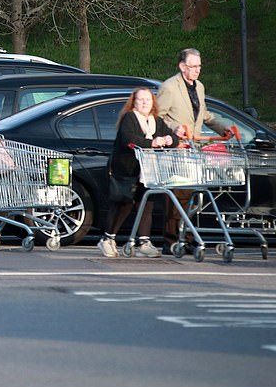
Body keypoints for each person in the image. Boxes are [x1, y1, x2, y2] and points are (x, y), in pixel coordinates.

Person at [156, 48, 232, 254]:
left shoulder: (198, 86)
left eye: (199, 66)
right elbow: (157, 116)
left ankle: (186, 238)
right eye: (193, 66)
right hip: (176, 149)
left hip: (193, 150)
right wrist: (174, 129)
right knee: (177, 195)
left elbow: (204, 114)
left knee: (190, 196)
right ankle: (171, 240)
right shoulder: (169, 87)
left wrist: (222, 127)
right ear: (182, 67)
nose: (197, 70)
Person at [99, 88, 184, 258]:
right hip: (127, 168)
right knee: (123, 203)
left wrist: (171, 139)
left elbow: (172, 137)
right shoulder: (129, 118)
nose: (145, 103)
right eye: (140, 100)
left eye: (148, 99)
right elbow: (128, 139)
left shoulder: (156, 121)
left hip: (148, 170)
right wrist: (151, 142)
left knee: (146, 203)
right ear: (134, 103)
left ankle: (144, 242)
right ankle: (107, 239)